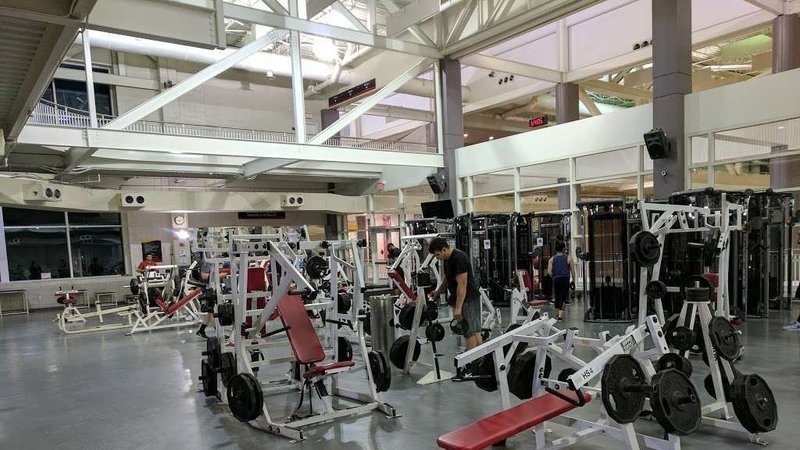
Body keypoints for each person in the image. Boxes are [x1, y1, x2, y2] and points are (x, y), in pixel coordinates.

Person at [427, 237, 483, 351]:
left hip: (468, 299)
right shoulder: (447, 259)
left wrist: (458, 308)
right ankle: (480, 359)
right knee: (473, 331)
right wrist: (437, 292)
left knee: (469, 333)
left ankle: (472, 361)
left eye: (437, 255)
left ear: (444, 249)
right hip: (462, 298)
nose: (437, 258)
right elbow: (448, 278)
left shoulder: (459, 258)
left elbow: (462, 284)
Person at [547, 240, 575, 322]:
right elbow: (573, 271)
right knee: (563, 297)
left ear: (556, 249)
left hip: (556, 279)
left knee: (557, 296)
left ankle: (558, 314)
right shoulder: (569, 258)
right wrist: (573, 280)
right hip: (565, 279)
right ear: (563, 249)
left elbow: (549, 272)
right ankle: (560, 317)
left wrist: (554, 277)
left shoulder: (552, 259)